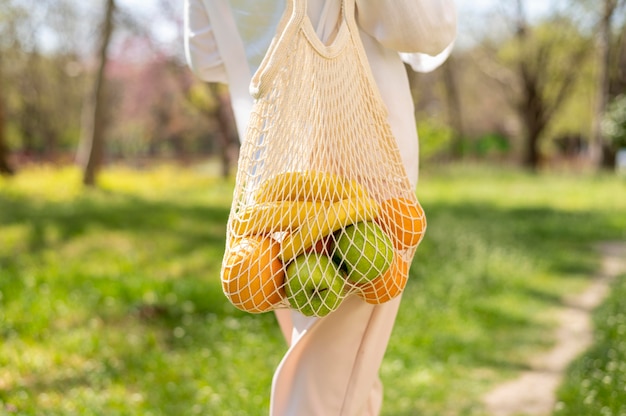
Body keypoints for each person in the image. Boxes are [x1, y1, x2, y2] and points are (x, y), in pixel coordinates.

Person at [184, 1, 456, 414]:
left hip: (273, 176)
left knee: (346, 375)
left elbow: (205, 56)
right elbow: (425, 28)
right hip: (363, 174)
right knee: (324, 392)